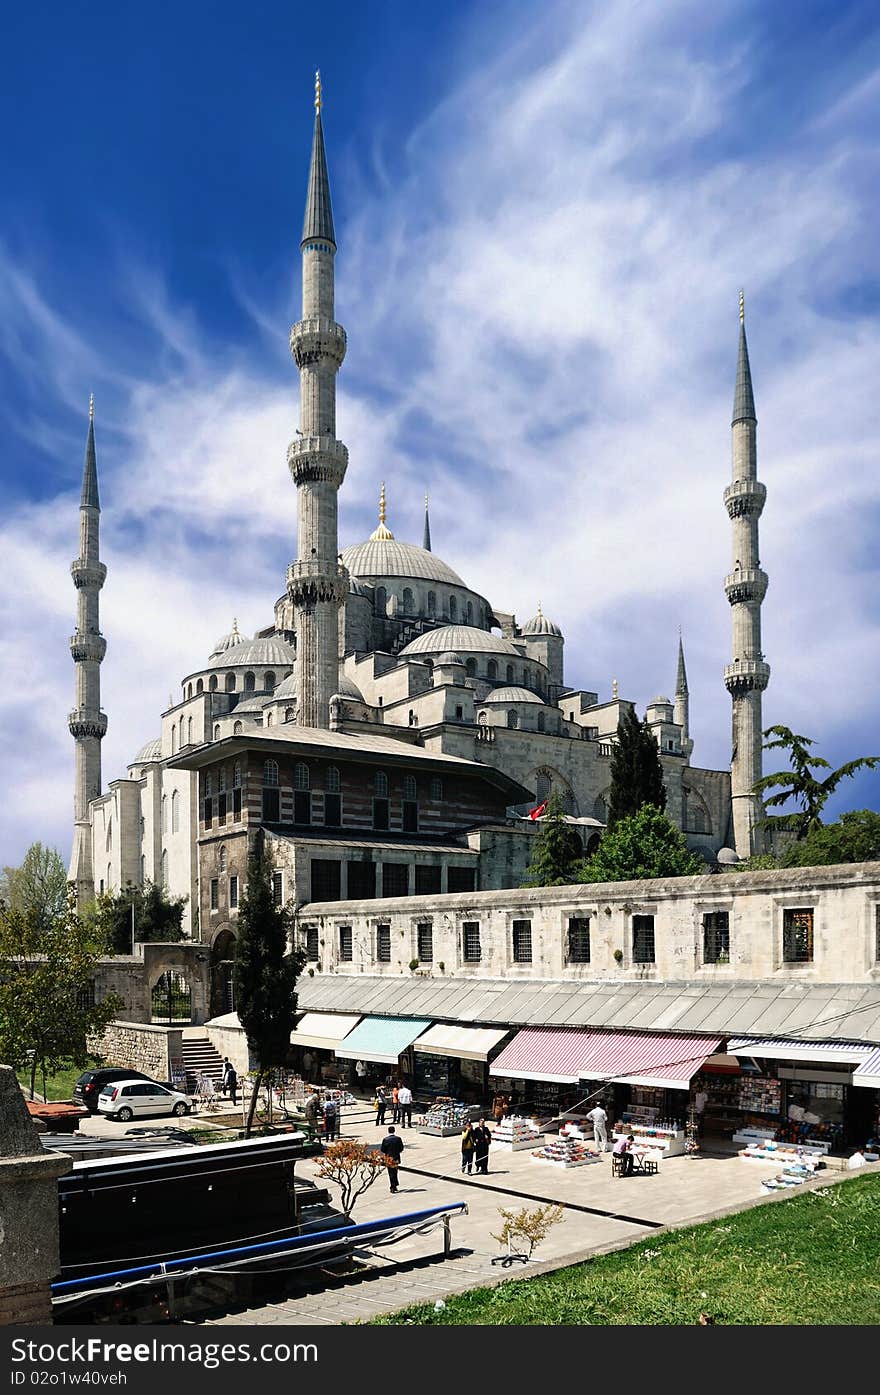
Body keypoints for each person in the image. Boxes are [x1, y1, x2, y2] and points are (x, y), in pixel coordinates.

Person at [381, 1125, 404, 1192]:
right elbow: (401, 1148)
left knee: (391, 1172)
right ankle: (394, 1185)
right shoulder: (398, 1139)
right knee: (395, 1172)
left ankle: (393, 1186)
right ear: (394, 1131)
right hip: (396, 1157)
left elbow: (382, 1149)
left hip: (389, 1158)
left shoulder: (385, 1139)